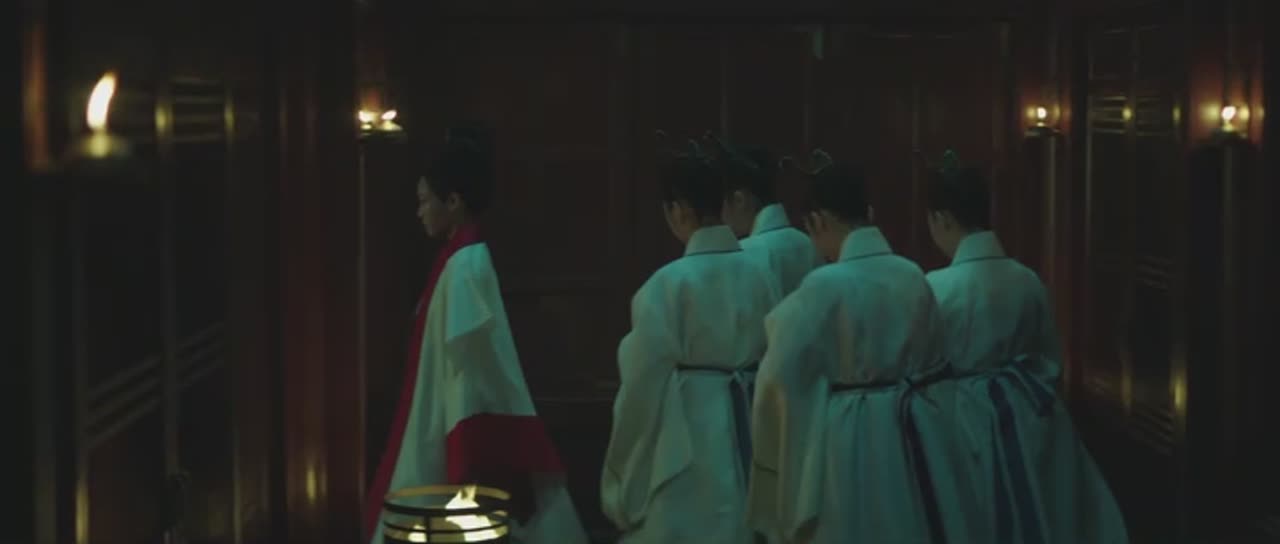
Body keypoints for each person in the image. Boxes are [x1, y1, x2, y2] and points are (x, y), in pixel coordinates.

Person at [364, 128, 588, 544]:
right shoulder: (460, 259)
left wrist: (466, 447)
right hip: (439, 411)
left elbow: (471, 364)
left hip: (448, 416)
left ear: (453, 201)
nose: (419, 212)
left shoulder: (465, 265)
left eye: (425, 201)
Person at [746, 152, 970, 543]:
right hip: (916, 432)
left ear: (818, 221)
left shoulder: (823, 286)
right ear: (868, 213)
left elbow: (779, 374)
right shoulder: (911, 274)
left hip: (849, 434)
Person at [923, 151, 1129, 544]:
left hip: (961, 418)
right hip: (1031, 414)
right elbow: (1050, 357)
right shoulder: (1026, 280)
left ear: (942, 218)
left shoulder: (936, 287)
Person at [601, 140, 781, 544]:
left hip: (690, 424)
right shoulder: (761, 274)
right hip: (752, 414)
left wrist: (622, 479)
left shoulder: (666, 285)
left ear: (678, 209)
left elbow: (641, 385)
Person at [711, 135, 822, 295]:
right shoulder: (809, 244)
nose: (721, 215)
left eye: (721, 202)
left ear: (739, 200)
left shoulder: (742, 255)